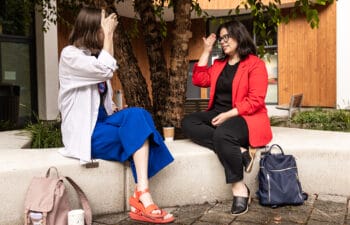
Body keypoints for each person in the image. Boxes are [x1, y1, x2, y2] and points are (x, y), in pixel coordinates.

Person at [58, 7, 175, 224]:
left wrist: (116, 111)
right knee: (141, 135)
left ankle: (142, 193)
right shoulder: (70, 55)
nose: (108, 31)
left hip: (105, 122)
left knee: (138, 115)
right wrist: (109, 35)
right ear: (92, 29)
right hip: (88, 132)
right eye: (104, 28)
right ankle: (142, 201)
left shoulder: (96, 56)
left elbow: (102, 99)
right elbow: (105, 70)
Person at [181, 19, 272, 216]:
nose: (223, 41)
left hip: (245, 116)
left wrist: (229, 114)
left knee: (223, 135)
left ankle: (239, 189)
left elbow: (256, 100)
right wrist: (206, 50)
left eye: (226, 37)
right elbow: (198, 79)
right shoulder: (219, 64)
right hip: (219, 114)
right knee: (188, 122)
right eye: (220, 38)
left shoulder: (255, 64)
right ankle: (240, 152)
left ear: (239, 36)